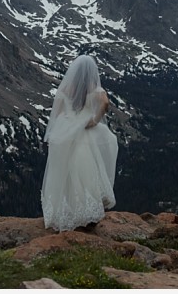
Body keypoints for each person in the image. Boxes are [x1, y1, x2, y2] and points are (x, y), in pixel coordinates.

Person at [40, 54, 119, 232]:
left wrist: (61, 129)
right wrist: (95, 120)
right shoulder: (94, 89)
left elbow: (58, 113)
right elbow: (105, 103)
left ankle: (64, 212)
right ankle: (86, 210)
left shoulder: (66, 88)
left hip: (66, 129)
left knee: (64, 171)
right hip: (84, 130)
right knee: (84, 168)